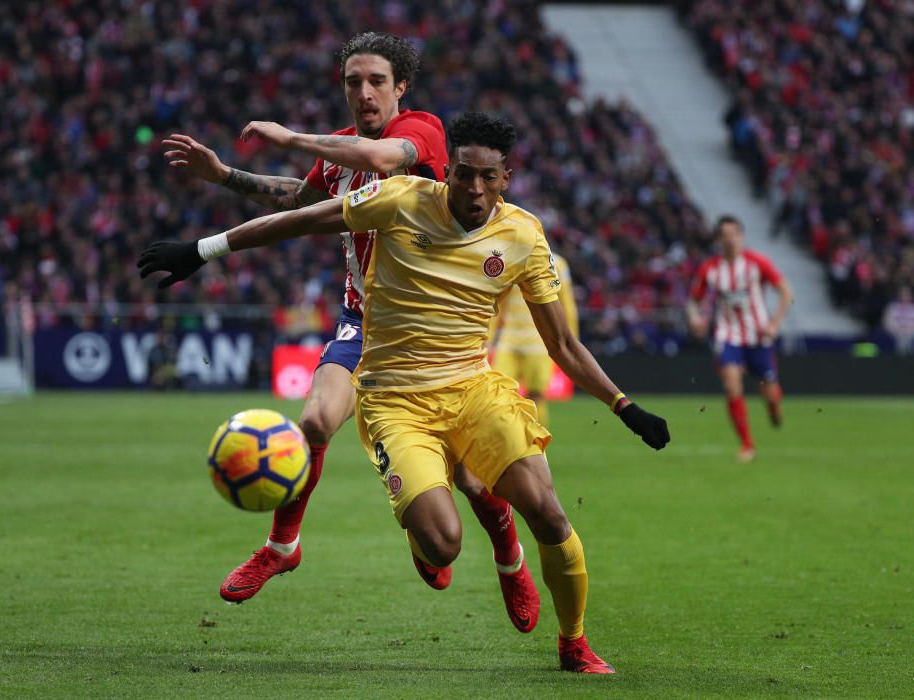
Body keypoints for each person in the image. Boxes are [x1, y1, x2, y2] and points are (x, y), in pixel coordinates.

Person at [139, 111, 671, 674]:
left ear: (506, 177)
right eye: (463, 174)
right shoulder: (400, 199)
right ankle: (404, 535)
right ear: (450, 171)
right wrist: (202, 250)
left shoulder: (523, 235)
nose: (473, 187)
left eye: (487, 177)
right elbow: (298, 219)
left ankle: (574, 644)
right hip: (395, 399)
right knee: (444, 545)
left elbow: (563, 344)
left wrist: (624, 406)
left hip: (474, 391)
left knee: (550, 515)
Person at [161, 33, 539, 631]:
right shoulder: (338, 152)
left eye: (376, 82)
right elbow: (303, 204)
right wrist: (225, 176)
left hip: (434, 335)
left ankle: (509, 556)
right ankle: (283, 548)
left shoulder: (424, 133)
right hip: (362, 322)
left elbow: (383, 162)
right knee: (314, 419)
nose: (363, 93)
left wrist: (289, 137)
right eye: (352, 83)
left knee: (470, 475)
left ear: (401, 88)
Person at [687, 215, 794, 463]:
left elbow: (786, 291)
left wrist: (775, 323)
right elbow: (694, 300)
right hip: (728, 335)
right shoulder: (710, 269)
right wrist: (695, 318)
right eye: (725, 234)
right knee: (731, 385)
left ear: (741, 236)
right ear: (719, 239)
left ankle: (773, 406)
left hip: (758, 336)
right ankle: (747, 444)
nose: (731, 239)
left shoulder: (757, 263)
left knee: (769, 392)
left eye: (735, 233)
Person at [489, 252, 578, 427]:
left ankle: (537, 444)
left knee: (536, 395)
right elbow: (498, 303)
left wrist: (571, 340)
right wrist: (488, 337)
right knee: (498, 394)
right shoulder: (509, 258)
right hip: (508, 342)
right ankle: (506, 442)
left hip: (540, 343)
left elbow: (567, 304)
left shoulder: (557, 263)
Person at [882, 286, 914, 355]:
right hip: (895, 334)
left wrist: (907, 330)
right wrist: (898, 330)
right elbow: (887, 323)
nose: (905, 297)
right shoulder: (892, 307)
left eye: (907, 295)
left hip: (910, 334)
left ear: (911, 296)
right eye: (903, 294)